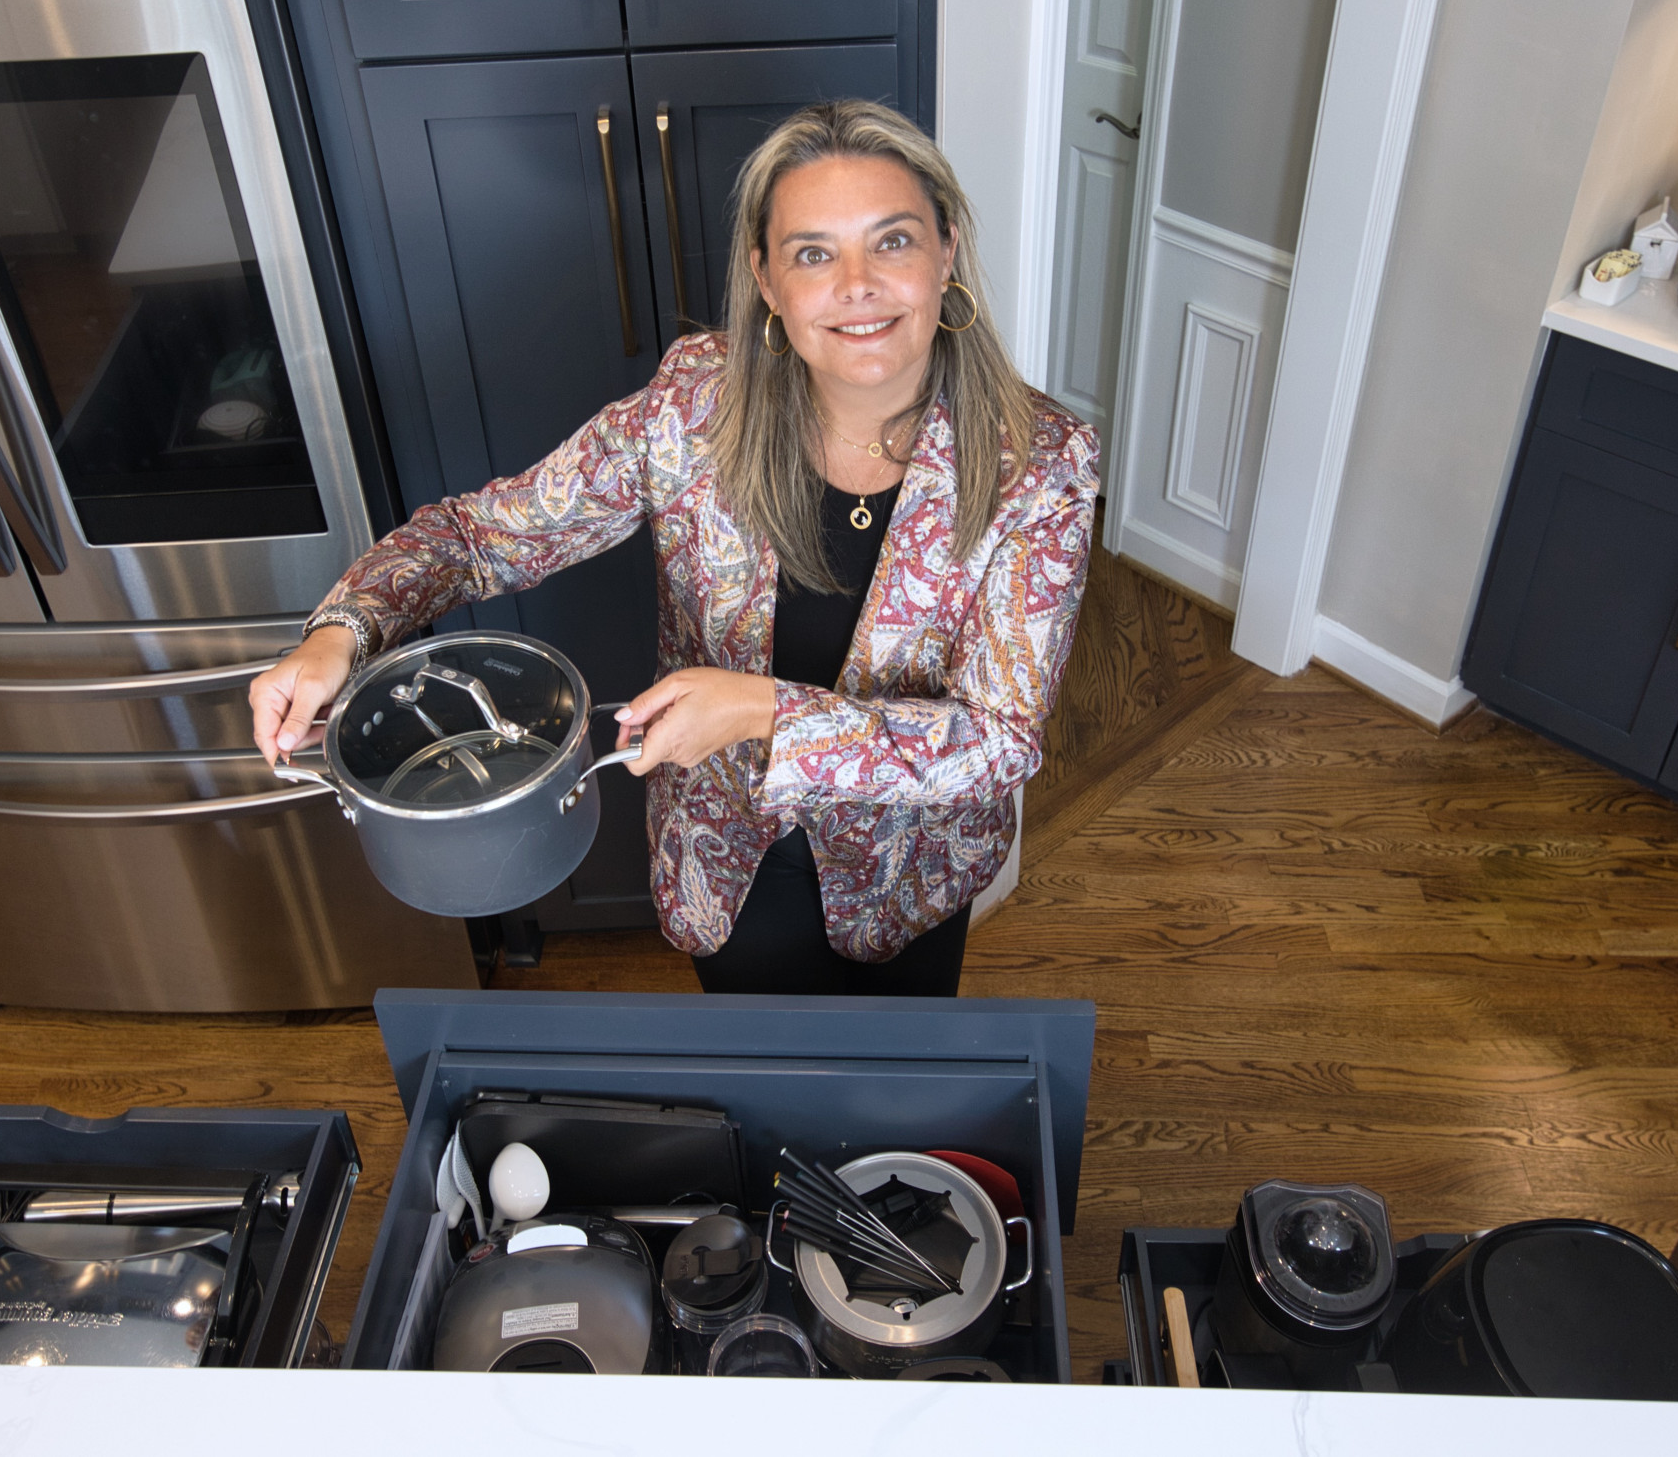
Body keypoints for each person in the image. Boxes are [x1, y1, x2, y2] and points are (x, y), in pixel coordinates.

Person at [248, 100, 1097, 995]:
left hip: (907, 870)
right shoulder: (692, 407)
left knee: (893, 1089)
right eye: (814, 253)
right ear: (767, 280)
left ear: (946, 250)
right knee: (756, 1090)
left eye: (892, 241)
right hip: (727, 862)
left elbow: (999, 739)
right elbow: (476, 537)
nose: (858, 284)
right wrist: (343, 632)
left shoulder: (1038, 464)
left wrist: (766, 712)